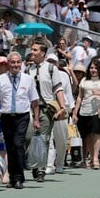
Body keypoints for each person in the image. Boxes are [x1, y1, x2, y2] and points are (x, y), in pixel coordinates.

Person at [0, 51, 40, 189]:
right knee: (10, 147)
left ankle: (19, 177)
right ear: (8, 64)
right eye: (13, 62)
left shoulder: (27, 79)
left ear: (21, 63)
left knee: (18, 145)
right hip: (6, 116)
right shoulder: (1, 79)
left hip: (22, 116)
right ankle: (12, 177)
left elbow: (34, 100)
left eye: (18, 62)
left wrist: (36, 119)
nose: (15, 65)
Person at [25, 39, 67, 182]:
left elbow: (58, 88)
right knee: (30, 138)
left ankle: (41, 168)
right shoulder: (27, 70)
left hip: (46, 108)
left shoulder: (51, 68)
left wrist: (62, 107)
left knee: (43, 138)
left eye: (35, 50)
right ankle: (34, 164)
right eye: (32, 49)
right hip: (29, 108)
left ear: (43, 53)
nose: (32, 52)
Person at [72, 57, 100, 170]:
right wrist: (75, 111)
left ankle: (95, 159)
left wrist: (99, 93)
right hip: (84, 111)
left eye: (95, 68)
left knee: (96, 133)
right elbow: (80, 97)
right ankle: (90, 157)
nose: (93, 70)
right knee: (87, 135)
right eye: (91, 67)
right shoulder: (84, 80)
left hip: (98, 111)